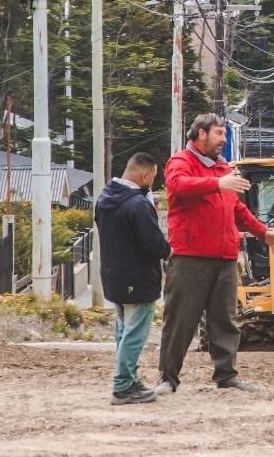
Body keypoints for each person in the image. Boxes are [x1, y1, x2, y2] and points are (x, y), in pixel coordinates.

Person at [156, 113, 274, 394]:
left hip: (226, 258)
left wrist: (263, 232)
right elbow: (178, 186)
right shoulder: (180, 162)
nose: (223, 140)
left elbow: (236, 209)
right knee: (180, 320)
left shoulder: (223, 168)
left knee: (225, 320)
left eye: (224, 134)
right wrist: (218, 184)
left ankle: (226, 376)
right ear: (200, 133)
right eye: (219, 134)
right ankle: (168, 378)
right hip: (190, 257)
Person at [94, 151, 171, 405]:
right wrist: (169, 250)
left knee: (123, 331)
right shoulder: (137, 205)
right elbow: (153, 243)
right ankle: (123, 385)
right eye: (152, 178)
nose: (152, 182)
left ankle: (129, 378)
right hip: (137, 277)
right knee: (135, 333)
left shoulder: (105, 197)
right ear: (145, 175)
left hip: (113, 276)